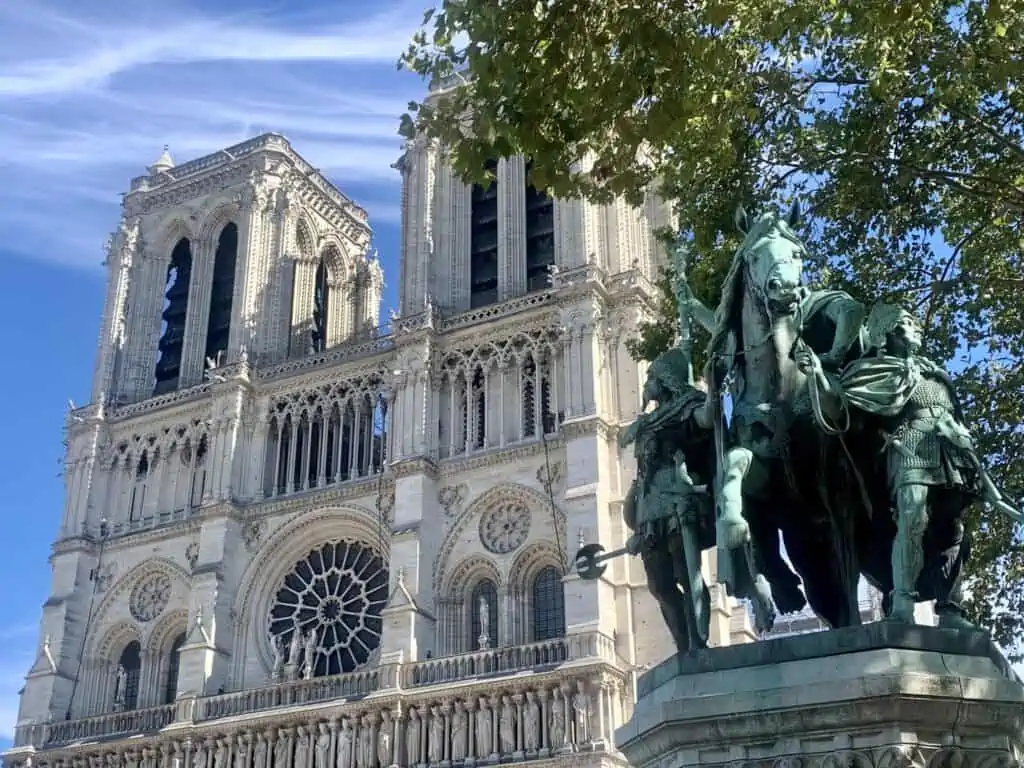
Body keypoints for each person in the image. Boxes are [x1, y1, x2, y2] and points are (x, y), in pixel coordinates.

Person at [797, 302, 1021, 625]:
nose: (916, 328)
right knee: (912, 519)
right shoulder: (877, 371)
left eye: (916, 322)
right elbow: (839, 405)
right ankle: (902, 604)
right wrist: (818, 372)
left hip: (951, 453)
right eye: (907, 322)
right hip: (910, 448)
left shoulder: (935, 371)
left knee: (953, 526)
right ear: (888, 332)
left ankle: (950, 607)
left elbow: (954, 414)